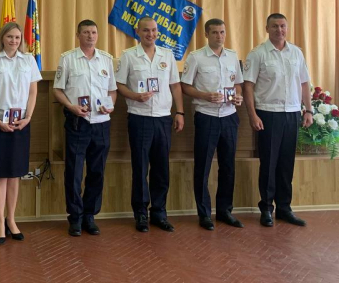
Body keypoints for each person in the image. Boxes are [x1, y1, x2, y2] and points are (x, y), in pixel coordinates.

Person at [243, 13, 313, 228]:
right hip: (268, 114)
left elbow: (304, 83)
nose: (279, 30)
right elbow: (248, 86)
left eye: (283, 26)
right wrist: (253, 115)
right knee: (269, 163)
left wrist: (308, 109)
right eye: (275, 26)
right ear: (267, 28)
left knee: (286, 164)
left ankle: (284, 208)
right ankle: (266, 208)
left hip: (292, 113)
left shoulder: (296, 53)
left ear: (287, 27)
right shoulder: (258, 54)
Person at [116, 16, 184, 233]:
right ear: (138, 32)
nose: (150, 34)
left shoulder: (167, 55)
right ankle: (140, 213)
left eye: (154, 31)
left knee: (161, 168)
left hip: (163, 118)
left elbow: (175, 86)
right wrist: (135, 96)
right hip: (139, 117)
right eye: (146, 31)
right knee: (140, 167)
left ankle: (159, 212)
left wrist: (179, 112)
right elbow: (119, 85)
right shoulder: (129, 56)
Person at [0, 22, 42, 244]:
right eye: (10, 37)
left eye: (17, 37)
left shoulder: (29, 61)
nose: (14, 41)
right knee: (0, 173)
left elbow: (33, 92)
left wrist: (28, 118)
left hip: (21, 124)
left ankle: (11, 219)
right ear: (2, 38)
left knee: (15, 173)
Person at [53, 20, 116, 237]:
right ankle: (75, 217)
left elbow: (113, 90)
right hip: (77, 123)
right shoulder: (68, 59)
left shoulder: (106, 60)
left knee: (97, 172)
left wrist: (111, 105)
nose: (90, 36)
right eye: (86, 32)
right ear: (78, 34)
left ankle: (90, 216)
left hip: (101, 124)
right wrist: (71, 106)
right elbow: (57, 90)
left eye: (93, 32)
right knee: (74, 172)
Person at [181, 18, 244, 231]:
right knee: (203, 167)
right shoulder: (196, 57)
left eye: (222, 32)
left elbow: (237, 84)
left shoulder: (233, 57)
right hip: (206, 116)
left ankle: (225, 211)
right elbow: (185, 86)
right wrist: (205, 96)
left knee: (228, 167)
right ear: (207, 34)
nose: (219, 36)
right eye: (215, 32)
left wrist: (238, 97)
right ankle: (204, 213)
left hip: (229, 117)